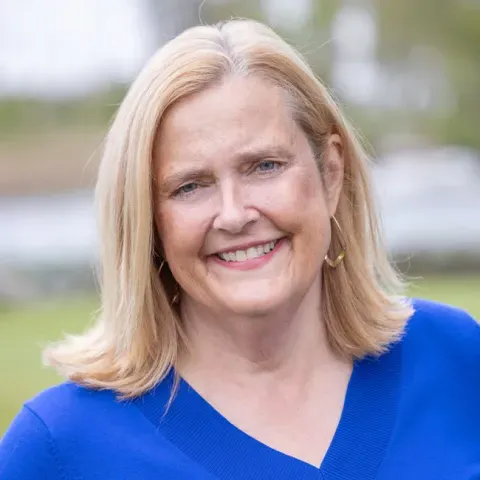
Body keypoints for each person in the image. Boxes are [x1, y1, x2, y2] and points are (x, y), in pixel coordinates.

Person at [1, 18, 479, 480]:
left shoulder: (456, 358)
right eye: (190, 186)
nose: (234, 214)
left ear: (330, 173)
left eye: (264, 166)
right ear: (147, 220)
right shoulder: (59, 448)